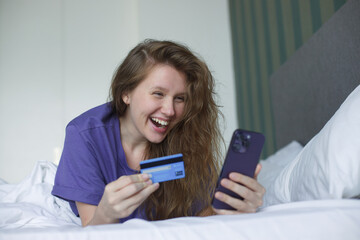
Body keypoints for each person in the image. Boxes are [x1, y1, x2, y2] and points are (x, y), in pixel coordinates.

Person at [52, 39, 265, 226]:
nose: (170, 110)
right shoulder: (84, 135)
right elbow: (92, 229)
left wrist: (229, 211)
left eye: (179, 98)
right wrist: (107, 212)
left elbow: (201, 215)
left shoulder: (187, 135)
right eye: (158, 94)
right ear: (126, 93)